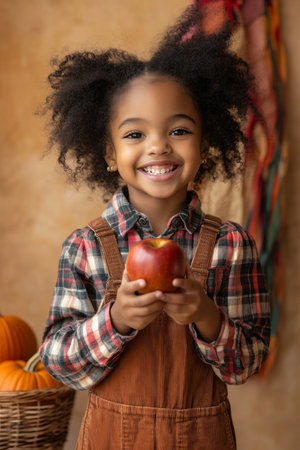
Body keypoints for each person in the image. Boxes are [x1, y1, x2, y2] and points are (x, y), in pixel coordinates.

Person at [40, 5, 270, 449]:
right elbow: (60, 364)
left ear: (205, 144)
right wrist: (118, 320)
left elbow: (247, 364)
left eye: (179, 130)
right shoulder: (86, 247)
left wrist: (205, 316)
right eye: (134, 134)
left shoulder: (231, 244)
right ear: (108, 153)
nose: (158, 146)